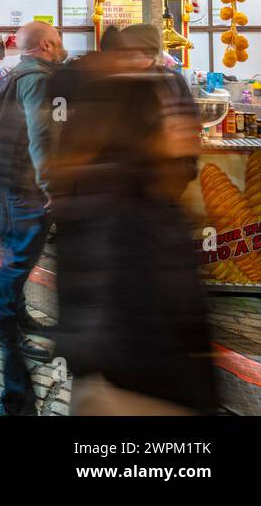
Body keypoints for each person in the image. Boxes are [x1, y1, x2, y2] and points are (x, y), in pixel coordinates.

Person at [48, 63, 216, 414]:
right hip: (143, 396)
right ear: (145, 127)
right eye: (169, 116)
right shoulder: (140, 210)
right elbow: (157, 322)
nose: (185, 127)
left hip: (106, 387)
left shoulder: (92, 187)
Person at [0, 19, 65, 417]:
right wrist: (49, 186)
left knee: (11, 253)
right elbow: (39, 134)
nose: (61, 49)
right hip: (26, 186)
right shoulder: (37, 79)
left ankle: (13, 314)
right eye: (57, 43)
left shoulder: (16, 74)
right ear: (44, 45)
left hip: (10, 182)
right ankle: (3, 324)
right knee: (16, 258)